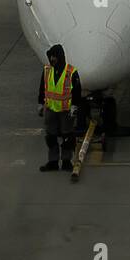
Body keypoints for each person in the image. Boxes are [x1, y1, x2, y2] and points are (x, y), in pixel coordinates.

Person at [38, 44, 81, 172]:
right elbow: (42, 88)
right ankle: (53, 161)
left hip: (65, 111)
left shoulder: (71, 72)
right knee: (51, 137)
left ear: (60, 57)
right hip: (51, 109)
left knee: (67, 137)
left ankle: (67, 161)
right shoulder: (47, 70)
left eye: (54, 57)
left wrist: (74, 105)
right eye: (50, 57)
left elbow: (77, 91)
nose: (52, 60)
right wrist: (40, 103)